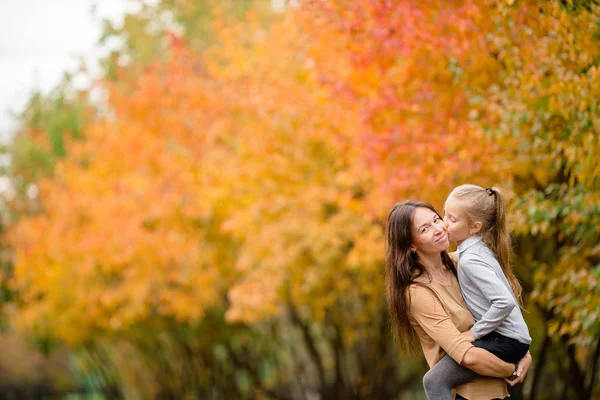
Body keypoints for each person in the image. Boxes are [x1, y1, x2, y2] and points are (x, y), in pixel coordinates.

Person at [384, 200, 531, 400]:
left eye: (437, 220)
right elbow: (468, 356)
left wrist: (523, 351)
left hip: (500, 393)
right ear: (411, 245)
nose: (438, 229)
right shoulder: (417, 292)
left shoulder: (464, 262)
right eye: (425, 229)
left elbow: (504, 312)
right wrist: (511, 368)